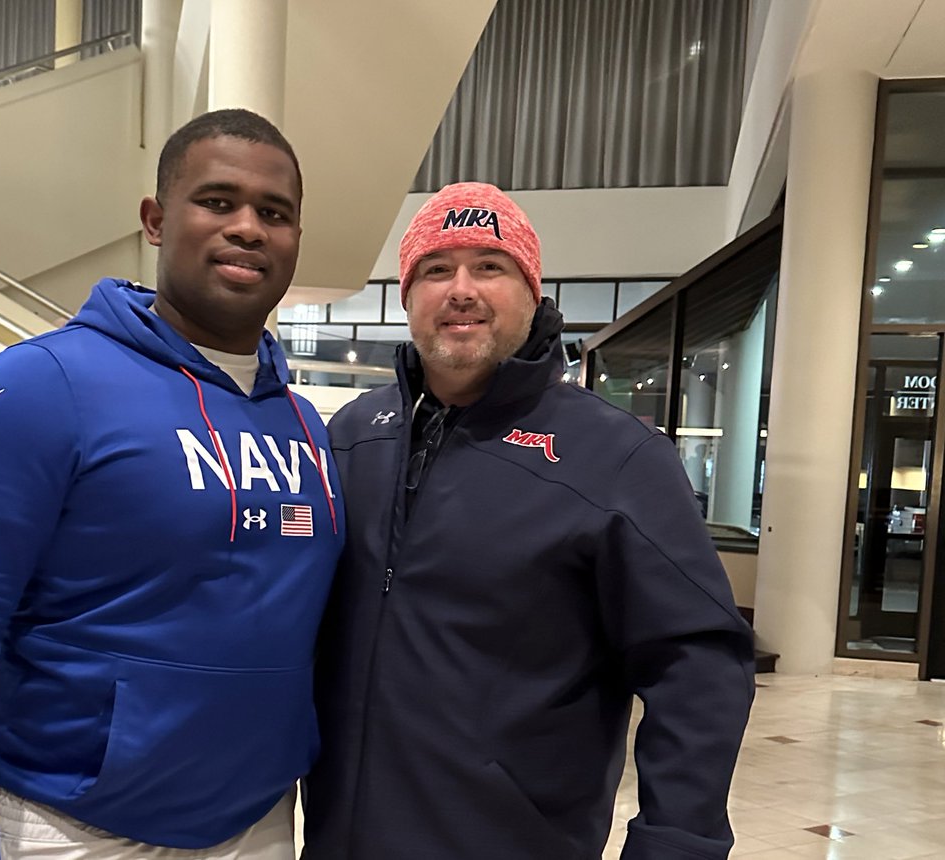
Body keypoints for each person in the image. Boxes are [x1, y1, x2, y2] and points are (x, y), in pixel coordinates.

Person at [0, 108, 344, 860]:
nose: (249, 227)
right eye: (218, 202)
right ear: (156, 220)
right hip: (72, 830)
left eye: (275, 213)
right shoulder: (39, 388)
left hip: (257, 826)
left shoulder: (304, 426)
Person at [302, 182, 755, 859]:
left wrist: (676, 843)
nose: (461, 289)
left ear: (531, 290)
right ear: (406, 296)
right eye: (436, 268)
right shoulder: (355, 436)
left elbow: (699, 665)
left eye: (490, 265)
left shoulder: (615, 458)